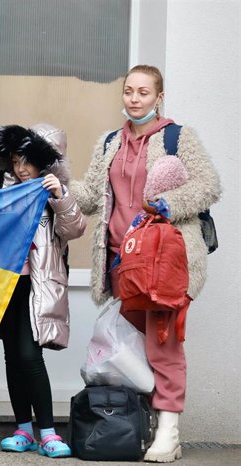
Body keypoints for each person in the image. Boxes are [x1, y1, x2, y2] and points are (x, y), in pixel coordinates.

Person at [69, 64, 221, 463]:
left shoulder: (177, 137)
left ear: (159, 97)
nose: (134, 99)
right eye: (129, 92)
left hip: (165, 261)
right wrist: (52, 182)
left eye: (143, 93)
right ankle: (145, 426)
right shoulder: (108, 143)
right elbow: (88, 196)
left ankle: (169, 431)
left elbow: (208, 185)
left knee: (163, 344)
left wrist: (172, 204)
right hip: (122, 263)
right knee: (131, 351)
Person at [0, 123, 86, 459]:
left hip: (37, 286)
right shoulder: (7, 191)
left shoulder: (54, 193)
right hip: (8, 284)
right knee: (12, 357)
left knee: (30, 356)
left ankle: (48, 432)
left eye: (27, 161)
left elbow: (75, 228)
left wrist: (59, 195)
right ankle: (23, 430)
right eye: (15, 162)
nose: (21, 169)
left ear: (45, 163)